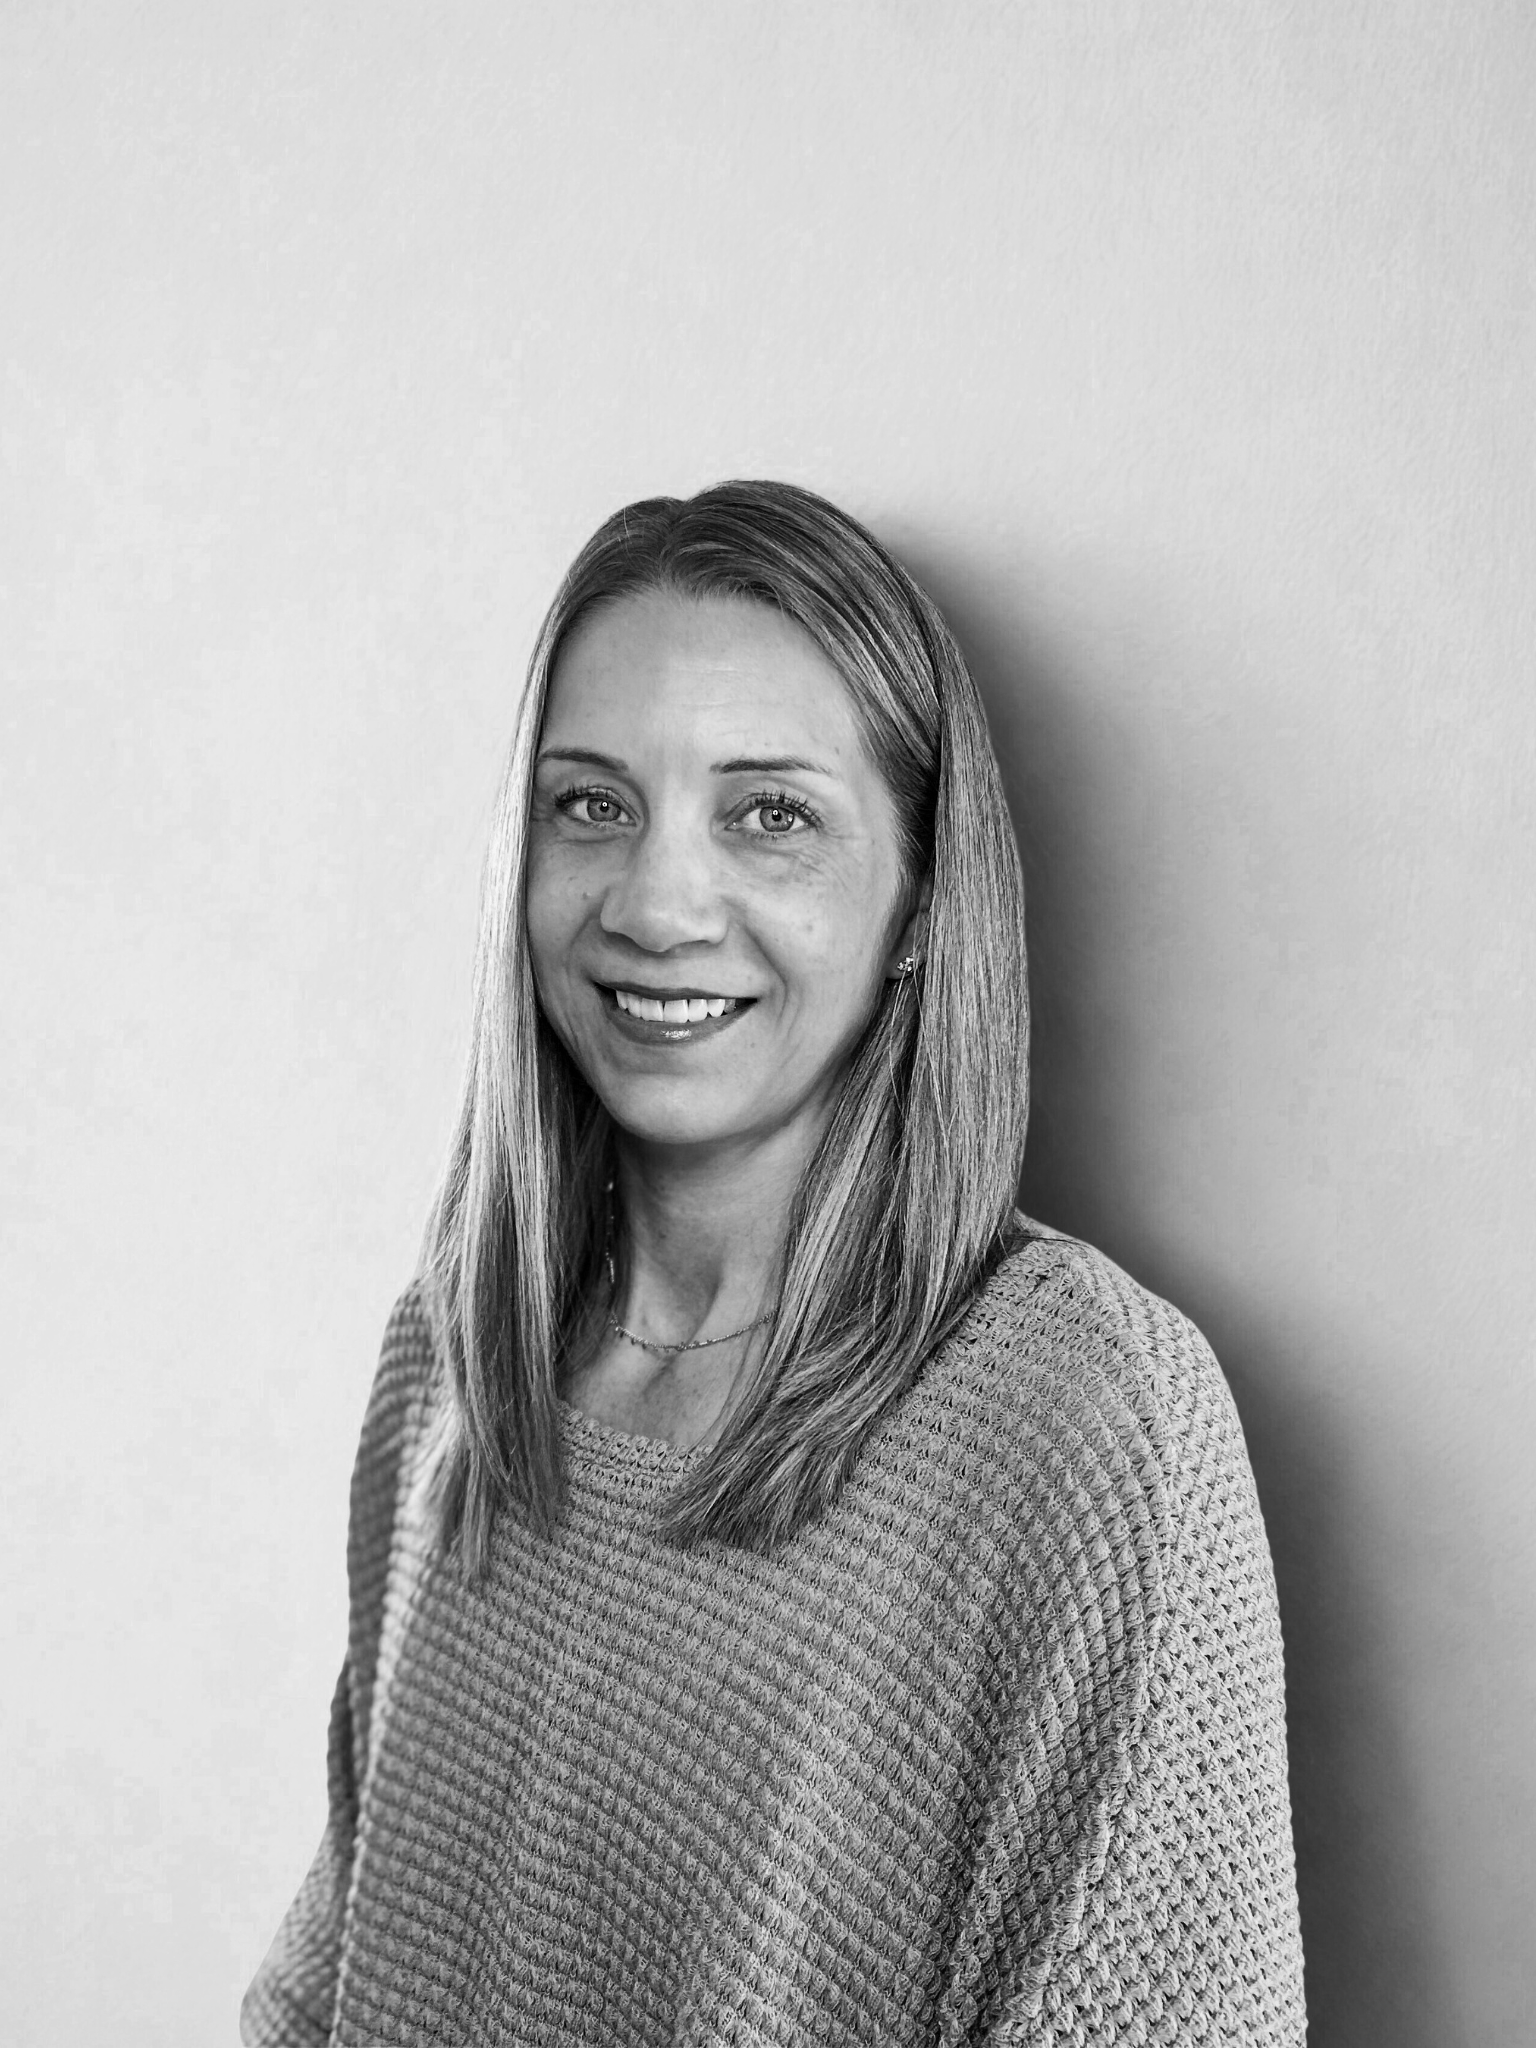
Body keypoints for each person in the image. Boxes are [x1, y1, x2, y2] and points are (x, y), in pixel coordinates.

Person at [242, 481, 1305, 2046]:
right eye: (591, 803)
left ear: (923, 902)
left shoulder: (1085, 1419)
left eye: (771, 815)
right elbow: (323, 1995)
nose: (659, 905)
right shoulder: (454, 1362)